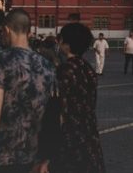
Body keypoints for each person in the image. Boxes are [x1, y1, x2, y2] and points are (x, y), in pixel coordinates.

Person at [0, 10, 56, 173]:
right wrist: (46, 158)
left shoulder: (2, 59)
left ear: (7, 30)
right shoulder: (46, 65)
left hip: (4, 155)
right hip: (34, 157)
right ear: (29, 31)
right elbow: (52, 115)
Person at [38, 22, 106, 173]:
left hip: (70, 141)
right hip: (89, 136)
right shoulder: (88, 68)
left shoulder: (65, 70)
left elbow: (56, 112)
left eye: (61, 39)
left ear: (67, 45)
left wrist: (47, 156)